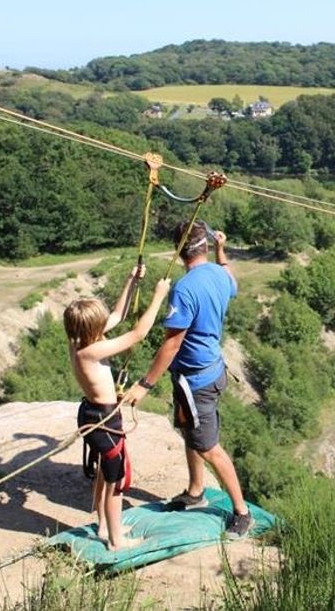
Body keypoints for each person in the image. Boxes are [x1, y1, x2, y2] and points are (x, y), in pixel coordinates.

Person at [123, 221, 254, 539]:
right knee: (189, 432)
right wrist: (223, 252)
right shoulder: (220, 274)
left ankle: (242, 513)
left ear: (179, 252)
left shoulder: (185, 288)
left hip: (198, 381)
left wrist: (145, 383)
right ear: (206, 247)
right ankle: (196, 492)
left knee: (209, 447)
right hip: (204, 373)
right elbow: (232, 282)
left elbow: (172, 342)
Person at [63, 264, 171, 551]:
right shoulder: (92, 349)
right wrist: (159, 296)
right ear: (92, 329)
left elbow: (117, 316)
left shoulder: (78, 341)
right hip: (104, 420)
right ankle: (115, 540)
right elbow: (138, 334)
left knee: (102, 474)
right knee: (115, 482)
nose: (106, 324)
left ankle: (103, 526)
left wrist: (131, 282)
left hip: (93, 415)